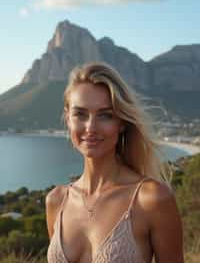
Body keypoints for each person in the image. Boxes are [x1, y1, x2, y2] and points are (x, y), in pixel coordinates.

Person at [46, 62, 184, 263]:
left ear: (121, 123)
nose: (90, 127)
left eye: (105, 115)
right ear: (68, 118)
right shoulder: (56, 201)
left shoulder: (151, 199)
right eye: (80, 114)